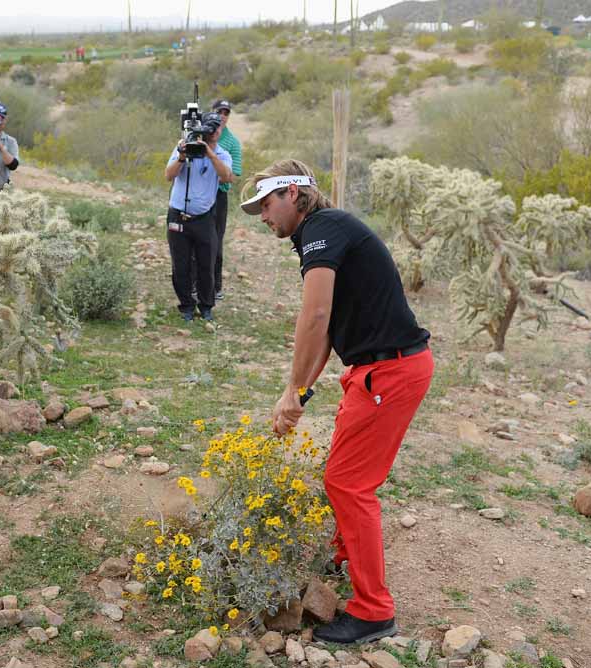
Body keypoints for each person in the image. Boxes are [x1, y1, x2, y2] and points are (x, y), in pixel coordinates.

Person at [240, 159, 433, 645]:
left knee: (349, 484)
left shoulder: (322, 228)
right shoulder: (323, 232)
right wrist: (301, 391)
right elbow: (327, 324)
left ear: (293, 195)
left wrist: (290, 389)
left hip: (389, 372)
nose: (263, 216)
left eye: (266, 203)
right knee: (345, 475)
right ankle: (345, 555)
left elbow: (315, 313)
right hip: (376, 372)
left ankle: (373, 611)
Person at [164, 111, 233, 322]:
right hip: (178, 214)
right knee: (181, 264)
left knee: (206, 263)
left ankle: (206, 306)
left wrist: (209, 153)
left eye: (217, 127)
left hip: (204, 217)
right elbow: (168, 175)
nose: (214, 131)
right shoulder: (185, 147)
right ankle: (186, 305)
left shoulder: (222, 155)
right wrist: (183, 156)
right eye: (210, 127)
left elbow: (226, 177)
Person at [211, 99, 242, 300]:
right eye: (219, 111)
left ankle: (216, 286)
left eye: (226, 112)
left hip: (218, 194)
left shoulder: (232, 142)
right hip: (197, 193)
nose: (223, 115)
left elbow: (235, 173)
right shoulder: (202, 133)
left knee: (216, 239)